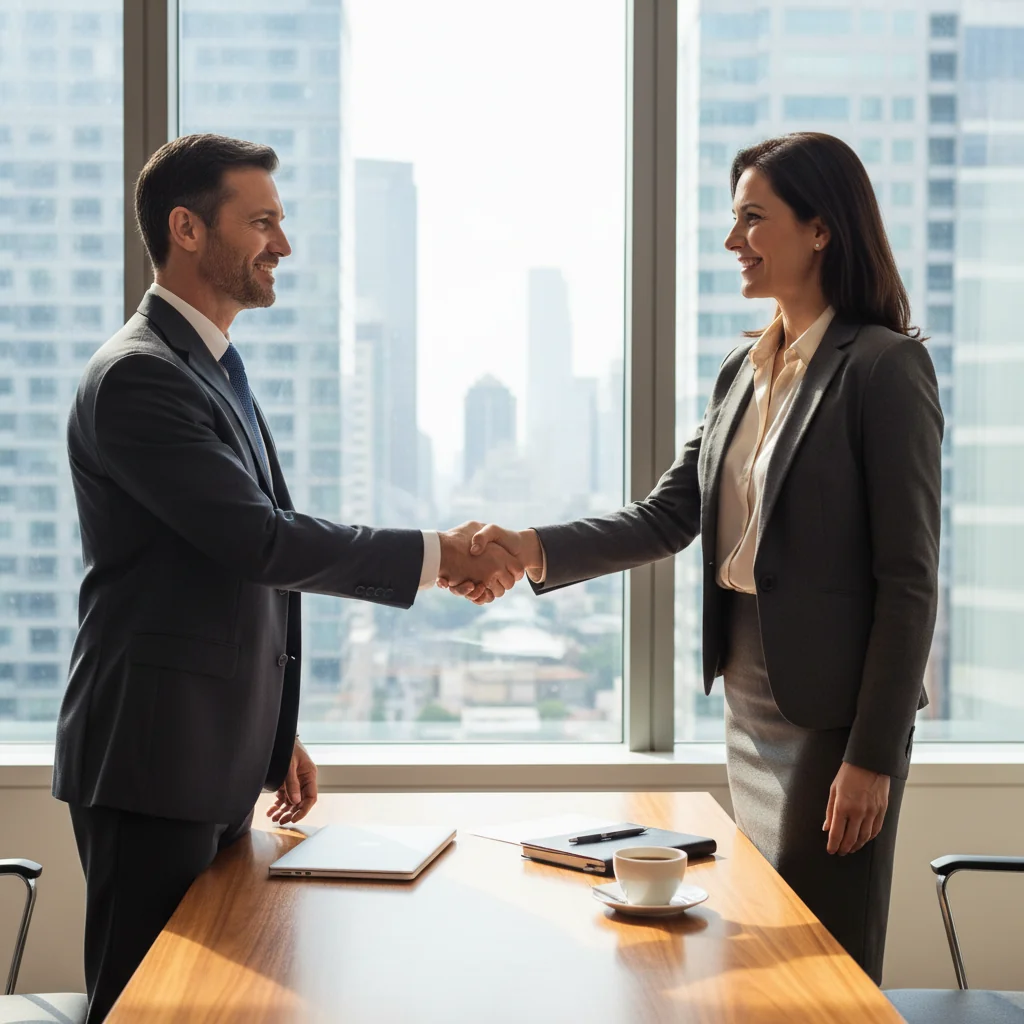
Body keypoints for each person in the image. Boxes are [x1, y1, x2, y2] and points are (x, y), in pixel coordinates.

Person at [448, 132, 942, 983]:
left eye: (753, 218)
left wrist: (871, 752)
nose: (732, 240)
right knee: (751, 951)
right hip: (750, 700)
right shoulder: (740, 374)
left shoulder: (884, 368)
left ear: (820, 230)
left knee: (821, 963)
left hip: (835, 721)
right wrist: (529, 548)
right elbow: (666, 517)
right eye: (733, 218)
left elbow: (909, 581)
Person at [54, 133, 523, 1023]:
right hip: (152, 761)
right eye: (262, 220)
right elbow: (259, 544)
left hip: (204, 753)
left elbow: (223, 581)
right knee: (149, 1007)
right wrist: (437, 556)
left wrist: (273, 730)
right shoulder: (138, 378)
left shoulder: (214, 367)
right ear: (186, 229)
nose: (284, 243)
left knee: (218, 1002)